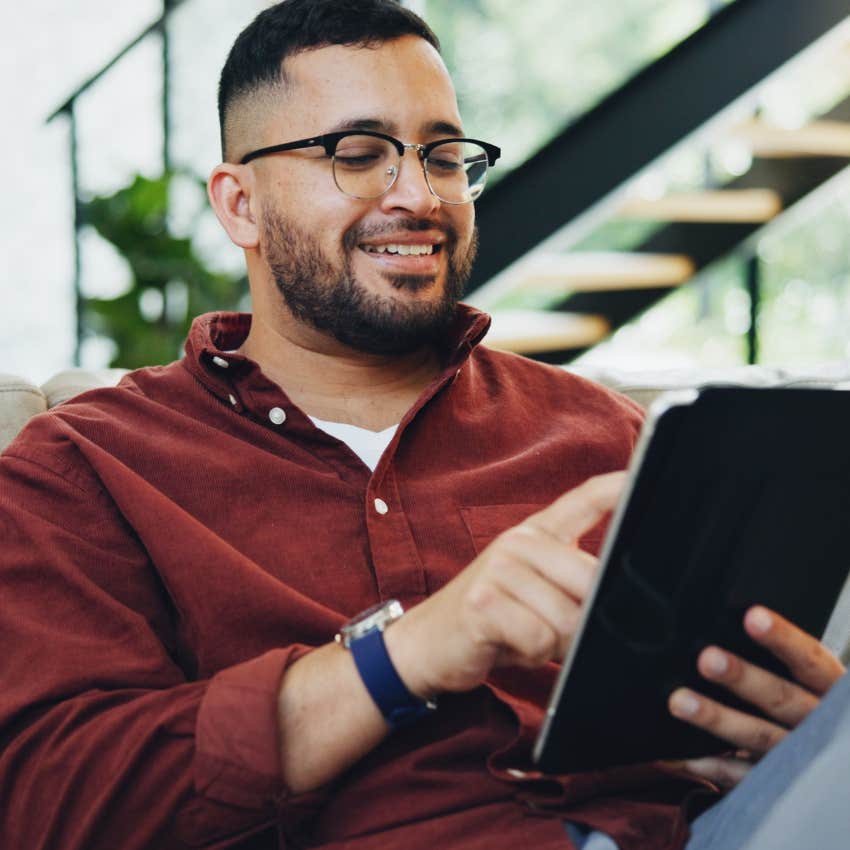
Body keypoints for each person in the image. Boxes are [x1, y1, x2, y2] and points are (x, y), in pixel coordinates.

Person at [0, 2, 846, 848]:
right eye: (358, 154)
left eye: (443, 156)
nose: (419, 194)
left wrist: (790, 734)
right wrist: (403, 653)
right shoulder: (86, 466)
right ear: (241, 204)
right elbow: (54, 802)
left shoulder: (606, 435)